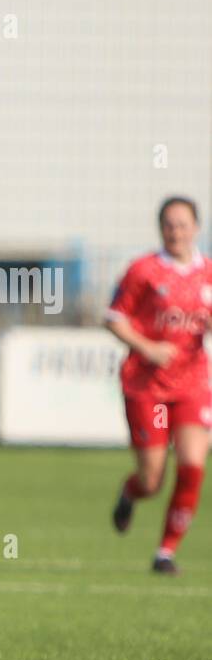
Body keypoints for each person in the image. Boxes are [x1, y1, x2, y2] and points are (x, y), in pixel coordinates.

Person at [106, 197, 211, 574]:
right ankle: (131, 492)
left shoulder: (209, 274)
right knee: (153, 478)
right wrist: (148, 347)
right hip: (148, 387)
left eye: (182, 224)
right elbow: (114, 318)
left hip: (193, 385)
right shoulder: (143, 271)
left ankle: (165, 552)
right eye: (169, 224)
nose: (176, 231)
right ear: (160, 229)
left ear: (196, 227)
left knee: (192, 465)